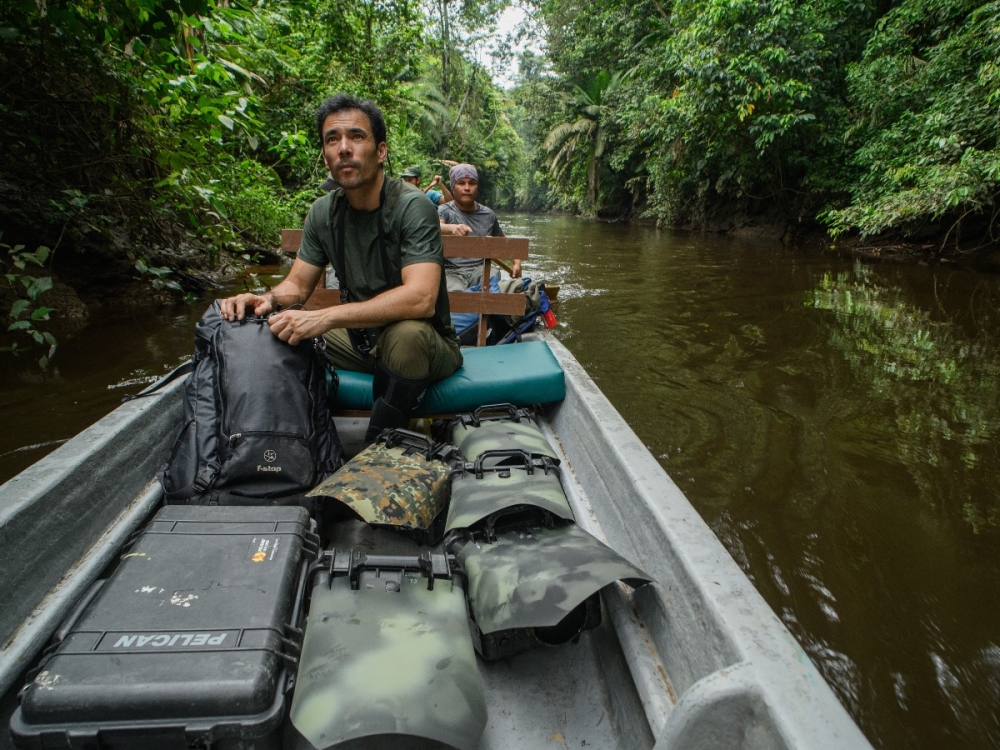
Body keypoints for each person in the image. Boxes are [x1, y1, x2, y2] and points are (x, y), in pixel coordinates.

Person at [219, 94, 463, 444]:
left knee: (405, 335)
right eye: (332, 139)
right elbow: (298, 286)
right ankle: (276, 441)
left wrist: (325, 317)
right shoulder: (323, 212)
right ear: (325, 155)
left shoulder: (413, 207)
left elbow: (421, 298)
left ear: (380, 152)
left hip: (426, 345)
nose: (344, 148)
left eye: (356, 137)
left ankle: (378, 447)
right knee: (268, 328)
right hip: (361, 343)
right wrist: (265, 299)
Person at [437, 163, 521, 292]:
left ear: (477, 187)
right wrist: (452, 229)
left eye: (472, 183)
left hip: (480, 270)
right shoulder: (444, 211)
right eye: (461, 183)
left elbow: (502, 241)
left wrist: (516, 262)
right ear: (453, 187)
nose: (467, 188)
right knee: (455, 293)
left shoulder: (488, 215)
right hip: (451, 272)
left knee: (493, 273)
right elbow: (435, 226)